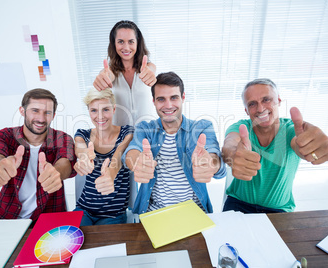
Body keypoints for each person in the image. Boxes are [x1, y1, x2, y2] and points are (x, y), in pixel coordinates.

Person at [222, 78, 328, 213]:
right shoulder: (241, 127)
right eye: (252, 104)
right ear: (246, 110)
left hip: (278, 209)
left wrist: (311, 148)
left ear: (279, 101)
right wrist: (232, 154)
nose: (260, 108)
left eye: (266, 100)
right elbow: (230, 143)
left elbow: (298, 143)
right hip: (238, 203)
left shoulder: (291, 130)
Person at [122, 72, 226, 214]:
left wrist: (210, 164)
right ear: (153, 101)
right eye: (161, 99)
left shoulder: (202, 127)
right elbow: (132, 151)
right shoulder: (145, 128)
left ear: (183, 97)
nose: (168, 105)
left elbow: (215, 158)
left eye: (174, 97)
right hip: (155, 212)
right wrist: (137, 163)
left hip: (194, 212)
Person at [0, 88, 76, 221]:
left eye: (47, 113)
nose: (41, 119)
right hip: (6, 215)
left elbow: (66, 161)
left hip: (50, 215)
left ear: (53, 116)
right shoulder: (4, 135)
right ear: (22, 111)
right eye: (35, 111)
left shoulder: (62, 138)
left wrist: (56, 172)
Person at [73, 88, 134, 225]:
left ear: (113, 109)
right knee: (69, 242)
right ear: (88, 111)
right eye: (94, 110)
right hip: (84, 209)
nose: (100, 116)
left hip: (113, 215)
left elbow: (119, 155)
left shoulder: (127, 132)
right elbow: (80, 147)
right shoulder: (82, 133)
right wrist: (84, 158)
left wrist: (111, 173)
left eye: (105, 109)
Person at [93, 20, 157, 126]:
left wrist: (150, 74)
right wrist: (104, 78)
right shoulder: (110, 71)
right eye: (121, 41)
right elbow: (108, 75)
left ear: (137, 42)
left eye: (131, 41)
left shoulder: (148, 68)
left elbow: (151, 71)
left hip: (148, 135)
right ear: (114, 44)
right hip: (121, 136)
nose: (126, 47)